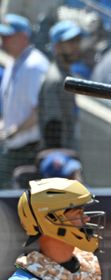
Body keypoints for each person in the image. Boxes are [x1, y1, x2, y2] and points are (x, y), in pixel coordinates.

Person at [0, 14, 50, 188]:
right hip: (13, 145)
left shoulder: (34, 64)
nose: (3, 41)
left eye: (8, 36)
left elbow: (39, 110)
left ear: (23, 37)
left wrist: (13, 130)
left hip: (28, 148)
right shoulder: (14, 62)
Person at [38, 20, 83, 151]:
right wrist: (58, 158)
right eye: (70, 42)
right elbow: (53, 125)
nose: (76, 46)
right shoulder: (55, 79)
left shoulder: (66, 74)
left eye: (77, 41)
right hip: (59, 157)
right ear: (57, 46)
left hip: (67, 151)